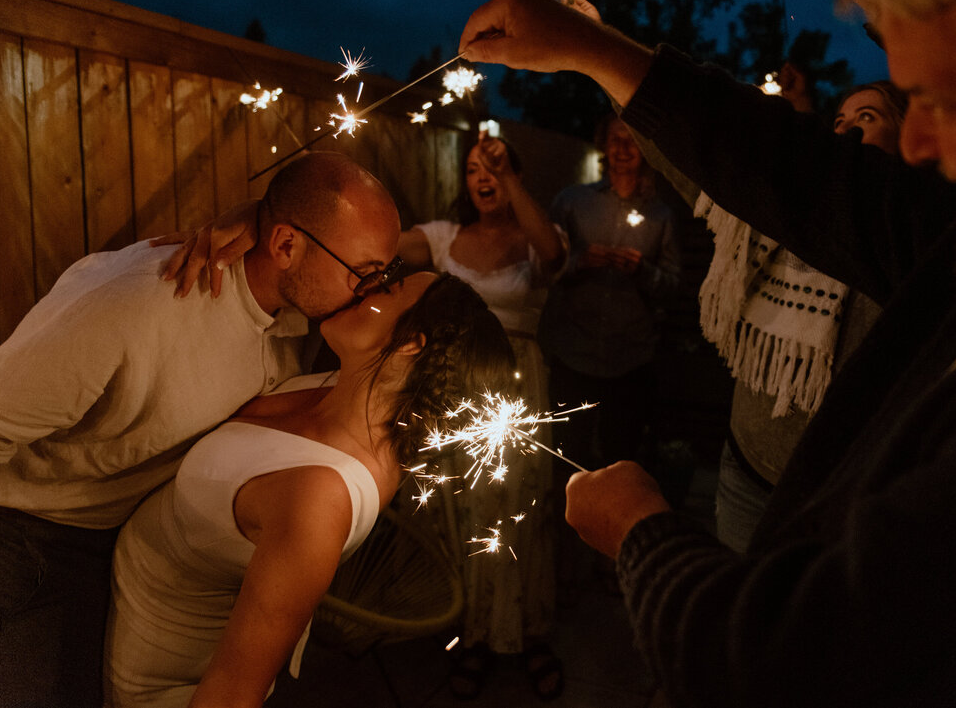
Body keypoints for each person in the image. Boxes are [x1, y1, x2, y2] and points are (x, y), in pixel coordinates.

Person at [457, 0, 956, 700]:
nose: (920, 146)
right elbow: (803, 178)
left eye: (945, 95)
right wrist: (594, 49)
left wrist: (641, 532)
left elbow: (773, 663)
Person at [0, 151, 400, 708]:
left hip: (124, 545)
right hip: (22, 534)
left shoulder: (304, 316)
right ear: (287, 247)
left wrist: (255, 213)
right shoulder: (134, 309)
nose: (373, 293)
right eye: (365, 273)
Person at [104, 272, 516, 708]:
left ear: (409, 344)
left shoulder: (321, 498)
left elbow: (234, 693)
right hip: (113, 579)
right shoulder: (339, 385)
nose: (366, 286)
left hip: (148, 671)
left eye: (388, 290)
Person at [691, 81, 903, 553]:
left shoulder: (902, 241)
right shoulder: (792, 209)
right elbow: (696, 149)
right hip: (745, 472)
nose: (846, 131)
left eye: (867, 118)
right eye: (839, 121)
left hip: (840, 496)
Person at [397, 132, 568, 700]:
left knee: (522, 508)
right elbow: (382, 247)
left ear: (514, 174)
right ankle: (474, 636)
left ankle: (530, 632)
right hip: (455, 388)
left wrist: (514, 179)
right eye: (473, 168)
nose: (483, 176)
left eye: (495, 165)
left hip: (519, 387)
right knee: (467, 510)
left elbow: (556, 257)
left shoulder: (535, 238)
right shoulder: (445, 237)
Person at [540, 114, 680, 471]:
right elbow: (541, 268)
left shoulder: (661, 216)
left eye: (632, 139)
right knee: (568, 461)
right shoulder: (572, 202)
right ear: (603, 145)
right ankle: (564, 526)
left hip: (630, 363)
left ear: (645, 149)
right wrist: (578, 262)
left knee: (621, 466)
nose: (622, 147)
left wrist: (642, 271)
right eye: (615, 138)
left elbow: (673, 287)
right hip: (573, 357)